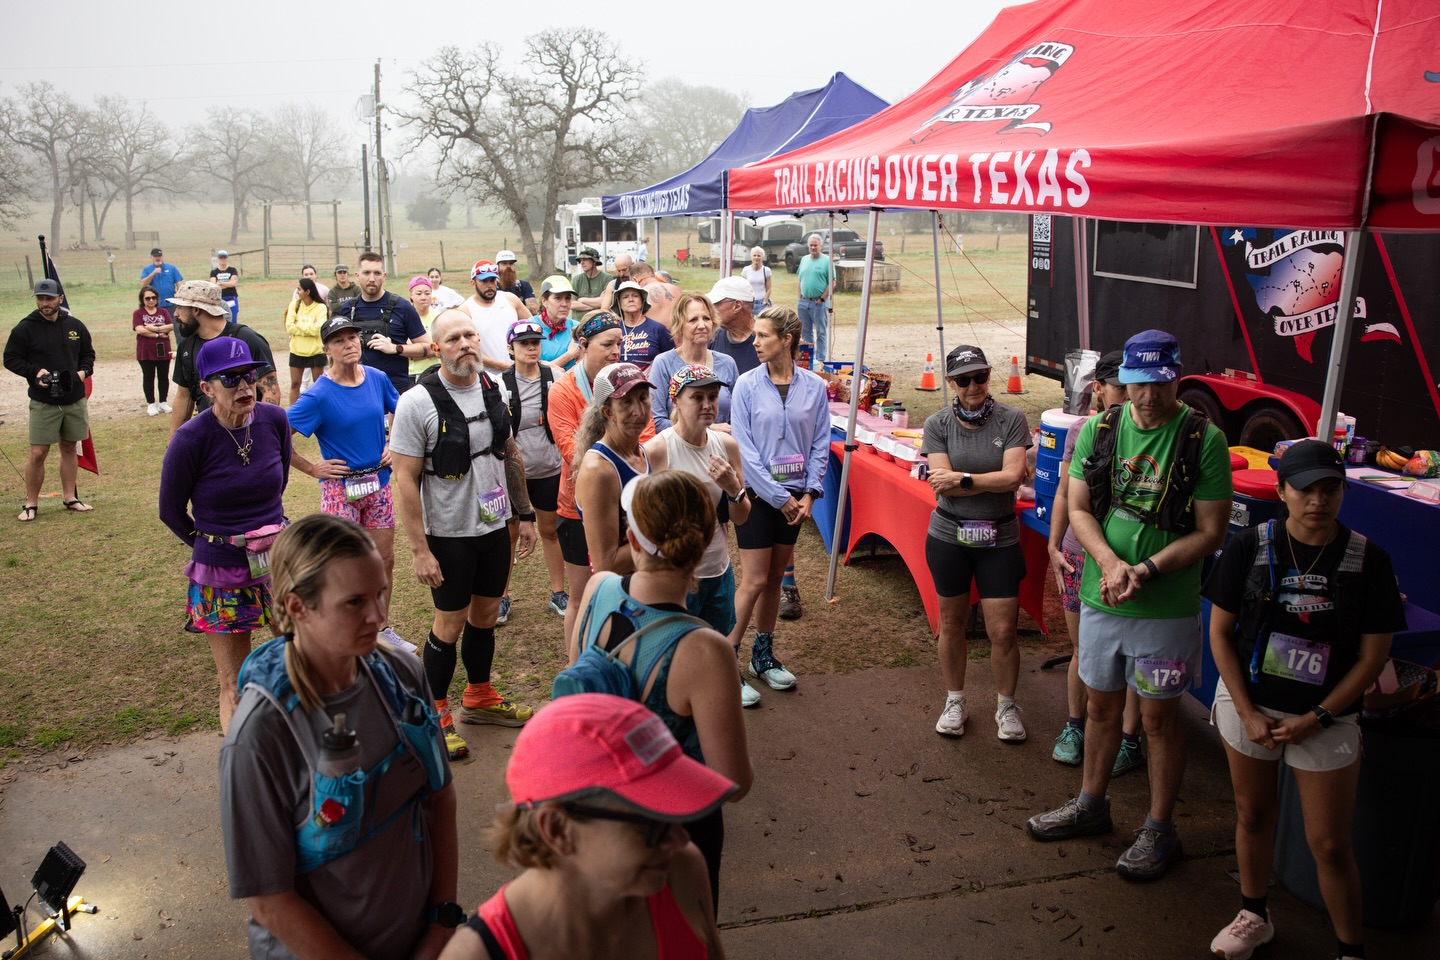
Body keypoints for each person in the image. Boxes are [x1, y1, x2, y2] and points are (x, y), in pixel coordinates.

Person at [1028, 329, 1232, 881]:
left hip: (1164, 610)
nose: (1148, 397)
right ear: (1123, 383)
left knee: (1161, 721)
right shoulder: (1100, 430)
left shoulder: (1202, 439)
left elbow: (1211, 531)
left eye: (1160, 383)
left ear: (1176, 378)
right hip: (1101, 599)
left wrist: (1146, 569)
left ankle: (1160, 829)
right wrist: (1112, 565)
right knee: (1098, 708)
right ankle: (1091, 804)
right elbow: (1079, 507)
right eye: (1138, 384)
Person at [220, 513, 459, 960]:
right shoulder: (259, 736)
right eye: (354, 602)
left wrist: (442, 921)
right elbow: (271, 902)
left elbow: (439, 799)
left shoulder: (402, 674)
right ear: (297, 607)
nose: (379, 616)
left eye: (381, 593)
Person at [1203, 441, 1404, 960]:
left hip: (1328, 716)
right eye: (1305, 489)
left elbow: (1372, 656)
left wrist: (1320, 715)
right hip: (1251, 706)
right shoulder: (1250, 546)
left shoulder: (1369, 560)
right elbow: (1220, 633)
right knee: (1251, 815)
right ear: (1281, 491)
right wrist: (1246, 711)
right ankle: (1254, 913)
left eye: (1330, 488)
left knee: (1330, 845)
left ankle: (1350, 949)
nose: (1318, 500)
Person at [438, 693, 734, 960]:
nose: (680, 838)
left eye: (676, 815)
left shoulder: (681, 870)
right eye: (652, 824)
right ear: (557, 830)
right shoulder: (476, 954)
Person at [574, 471, 754, 905]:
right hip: (674, 838)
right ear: (706, 540)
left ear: (633, 542)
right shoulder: (706, 650)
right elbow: (733, 780)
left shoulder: (597, 589)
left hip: (594, 814)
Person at [389, 311, 539, 762]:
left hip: (494, 526)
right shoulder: (417, 403)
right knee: (449, 625)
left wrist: (526, 513)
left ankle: (479, 696)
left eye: (470, 334)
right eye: (453, 338)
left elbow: (510, 453)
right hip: (449, 533)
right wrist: (419, 550)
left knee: (486, 616)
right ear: (436, 349)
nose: (465, 343)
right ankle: (435, 712)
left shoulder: (494, 387)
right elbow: (404, 480)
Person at [159, 338, 291, 732]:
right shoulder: (190, 439)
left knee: (302, 662)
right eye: (230, 379)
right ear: (206, 388)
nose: (245, 387)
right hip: (222, 571)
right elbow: (170, 511)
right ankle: (243, 769)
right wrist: (214, 544)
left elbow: (279, 479)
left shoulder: (274, 421)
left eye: (249, 376)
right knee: (234, 683)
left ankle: (305, 756)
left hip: (280, 562)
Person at [921, 345, 1032, 742]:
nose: (974, 386)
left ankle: (1006, 705)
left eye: (980, 377)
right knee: (951, 623)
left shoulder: (1012, 419)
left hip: (999, 537)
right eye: (964, 379)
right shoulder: (937, 424)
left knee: (1003, 630)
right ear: (950, 382)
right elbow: (939, 481)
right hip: (949, 536)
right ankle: (955, 700)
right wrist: (985, 479)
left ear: (989, 377)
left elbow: (1013, 478)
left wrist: (963, 481)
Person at [1048, 351, 1146, 772]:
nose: (1124, 397)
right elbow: (1063, 495)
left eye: (1130, 389)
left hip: (1132, 557)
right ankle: (1075, 725)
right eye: (1117, 388)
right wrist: (1053, 546)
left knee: (1136, 655)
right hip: (1077, 553)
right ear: (1100, 389)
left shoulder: (1154, 435)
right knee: (1082, 648)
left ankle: (1129, 738)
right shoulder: (1082, 431)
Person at [728, 307, 830, 697]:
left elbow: (821, 444)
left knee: (774, 580)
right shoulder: (746, 385)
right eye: (755, 336)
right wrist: (778, 496)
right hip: (756, 496)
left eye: (763, 336)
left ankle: (763, 656)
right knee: (753, 580)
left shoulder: (815, 387)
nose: (755, 343)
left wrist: (809, 494)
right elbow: (745, 449)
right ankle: (727, 660)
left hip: (797, 498)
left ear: (786, 340)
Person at [646, 366, 757, 707]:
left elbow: (741, 515)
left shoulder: (726, 444)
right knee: (674, 649)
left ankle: (720, 688)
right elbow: (643, 523)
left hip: (716, 566)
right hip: (676, 573)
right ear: (675, 401)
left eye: (713, 396)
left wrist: (734, 489)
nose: (708, 404)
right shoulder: (657, 450)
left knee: (717, 638)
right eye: (697, 397)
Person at [287, 317, 401, 633]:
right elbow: (277, 435)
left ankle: (381, 629)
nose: (349, 344)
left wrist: (394, 441)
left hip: (379, 484)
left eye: (353, 337)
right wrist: (311, 468)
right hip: (340, 492)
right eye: (339, 341)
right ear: (327, 350)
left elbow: (402, 408)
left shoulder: (376, 378)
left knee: (383, 562)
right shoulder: (318, 395)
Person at [549, 313, 643, 651]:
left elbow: (644, 436)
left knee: (627, 592)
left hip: (629, 505)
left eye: (620, 343)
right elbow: (572, 450)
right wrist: (618, 457)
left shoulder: (629, 383)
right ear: (582, 347)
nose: (617, 351)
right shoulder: (562, 390)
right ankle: (576, 672)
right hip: (576, 508)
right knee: (581, 596)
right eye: (608, 344)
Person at [572, 363, 654, 644]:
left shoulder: (643, 453)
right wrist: (667, 538)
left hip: (648, 593)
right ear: (607, 412)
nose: (638, 411)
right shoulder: (600, 470)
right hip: (620, 605)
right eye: (626, 402)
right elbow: (605, 561)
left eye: (643, 399)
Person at [5, 279, 96, 521]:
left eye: (49, 298)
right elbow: (10, 358)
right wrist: (35, 372)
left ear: (60, 298)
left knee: (69, 447)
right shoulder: (25, 328)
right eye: (40, 298)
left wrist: (82, 373)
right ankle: (31, 503)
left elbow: (88, 355)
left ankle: (70, 498)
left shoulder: (75, 325)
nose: (44, 303)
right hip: (43, 401)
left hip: (74, 398)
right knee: (38, 452)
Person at [503, 319, 569, 619]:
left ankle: (558, 592)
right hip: (513, 472)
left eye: (536, 342)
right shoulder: (500, 384)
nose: (531, 347)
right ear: (511, 349)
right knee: (510, 533)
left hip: (550, 467)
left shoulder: (554, 376)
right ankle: (501, 597)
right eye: (524, 343)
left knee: (550, 531)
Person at [169, 280, 277, 436]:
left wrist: (259, 434)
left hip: (246, 434)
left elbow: (271, 392)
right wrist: (172, 444)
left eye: (180, 306)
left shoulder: (246, 339)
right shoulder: (187, 346)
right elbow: (183, 397)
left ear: (196, 310)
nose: (176, 313)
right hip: (209, 438)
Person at [648, 292, 739, 433]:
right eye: (693, 320)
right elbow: (658, 422)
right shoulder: (663, 363)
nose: (702, 325)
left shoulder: (727, 363)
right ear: (680, 325)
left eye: (706, 318)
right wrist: (708, 429)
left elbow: (738, 417)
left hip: (721, 449)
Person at [347, 252, 433, 395]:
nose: (372, 278)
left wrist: (396, 348)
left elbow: (429, 348)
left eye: (377, 273)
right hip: (356, 389)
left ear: (384, 276)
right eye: (366, 273)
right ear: (357, 276)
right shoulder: (348, 310)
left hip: (395, 391)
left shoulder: (403, 307)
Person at [462, 259, 531, 372]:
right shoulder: (466, 310)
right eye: (484, 281)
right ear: (473, 283)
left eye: (493, 280)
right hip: (487, 376)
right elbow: (467, 349)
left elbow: (532, 327)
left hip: (518, 372)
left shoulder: (510, 299)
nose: (489, 285)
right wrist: (501, 365)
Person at [283, 278, 328, 406]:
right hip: (297, 351)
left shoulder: (320, 307)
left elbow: (318, 329)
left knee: (318, 385)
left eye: (299, 289)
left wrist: (299, 325)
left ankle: (320, 411)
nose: (297, 292)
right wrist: (309, 326)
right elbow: (289, 327)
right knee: (295, 384)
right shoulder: (294, 305)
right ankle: (292, 415)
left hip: (316, 352)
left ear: (307, 291)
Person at [613, 280, 674, 372]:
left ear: (642, 301)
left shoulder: (658, 329)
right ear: (619, 304)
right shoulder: (614, 329)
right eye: (625, 297)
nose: (631, 300)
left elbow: (671, 360)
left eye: (635, 296)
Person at [133, 286, 174, 417]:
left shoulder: (163, 311)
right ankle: (151, 403)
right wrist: (158, 334)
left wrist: (152, 328)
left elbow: (171, 326)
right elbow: (139, 329)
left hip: (163, 349)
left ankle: (163, 402)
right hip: (145, 350)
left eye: (153, 298)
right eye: (148, 298)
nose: (151, 300)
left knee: (163, 376)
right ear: (142, 299)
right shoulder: (138, 313)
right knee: (148, 376)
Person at [707, 275, 759, 377]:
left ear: (737, 306)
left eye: (715, 304)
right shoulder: (712, 338)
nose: (710, 310)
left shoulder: (765, 342)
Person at [795, 234, 834, 370]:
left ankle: (821, 359)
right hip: (803, 302)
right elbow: (800, 280)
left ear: (820, 246)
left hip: (819, 303)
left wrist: (822, 298)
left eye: (815, 245)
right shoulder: (804, 259)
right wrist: (799, 298)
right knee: (805, 331)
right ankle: (809, 359)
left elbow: (832, 282)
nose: (812, 248)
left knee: (821, 332)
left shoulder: (827, 261)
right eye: (810, 245)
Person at [534, 276, 582, 370]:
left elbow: (582, 368)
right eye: (558, 298)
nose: (564, 304)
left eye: (568, 298)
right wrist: (569, 355)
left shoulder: (577, 327)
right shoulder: (530, 328)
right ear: (544, 301)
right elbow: (532, 372)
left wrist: (550, 366)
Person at [139, 247, 183, 345]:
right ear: (151, 257)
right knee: (158, 329)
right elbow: (143, 284)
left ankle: (181, 351)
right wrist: (153, 273)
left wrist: (179, 295)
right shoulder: (147, 269)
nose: (157, 258)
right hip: (156, 306)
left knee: (178, 329)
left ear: (162, 257)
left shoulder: (171, 268)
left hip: (172, 304)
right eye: (155, 256)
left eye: (159, 256)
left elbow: (179, 283)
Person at [408, 275, 445, 379]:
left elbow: (443, 348)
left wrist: (420, 351)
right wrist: (431, 351)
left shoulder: (439, 317)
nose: (423, 297)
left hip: (437, 371)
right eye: (418, 294)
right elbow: (406, 351)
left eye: (427, 293)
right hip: (413, 373)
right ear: (411, 296)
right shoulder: (405, 318)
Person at [631, 261, 679, 329]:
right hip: (678, 337)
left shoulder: (641, 294)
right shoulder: (676, 289)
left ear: (635, 280)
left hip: (653, 338)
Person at [569, 246, 608, 314]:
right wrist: (596, 305)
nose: (582, 263)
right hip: (579, 322)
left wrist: (582, 300)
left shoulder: (606, 278)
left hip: (599, 321)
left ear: (594, 261)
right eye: (581, 260)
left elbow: (606, 301)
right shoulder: (576, 280)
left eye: (585, 259)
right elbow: (572, 304)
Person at [740, 247, 772, 315]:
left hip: (761, 303)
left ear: (762, 257)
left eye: (759, 255)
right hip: (749, 302)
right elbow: (742, 287)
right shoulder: (746, 270)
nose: (756, 257)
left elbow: (769, 289)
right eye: (754, 255)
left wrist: (765, 302)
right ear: (751, 257)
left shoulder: (766, 270)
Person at [211, 250, 241, 321]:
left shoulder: (232, 270)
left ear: (227, 259)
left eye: (224, 258)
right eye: (221, 258)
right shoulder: (214, 272)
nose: (223, 260)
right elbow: (213, 286)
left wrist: (220, 283)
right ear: (218, 259)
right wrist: (228, 283)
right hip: (219, 299)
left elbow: (234, 283)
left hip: (231, 297)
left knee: (233, 319)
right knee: (220, 319)